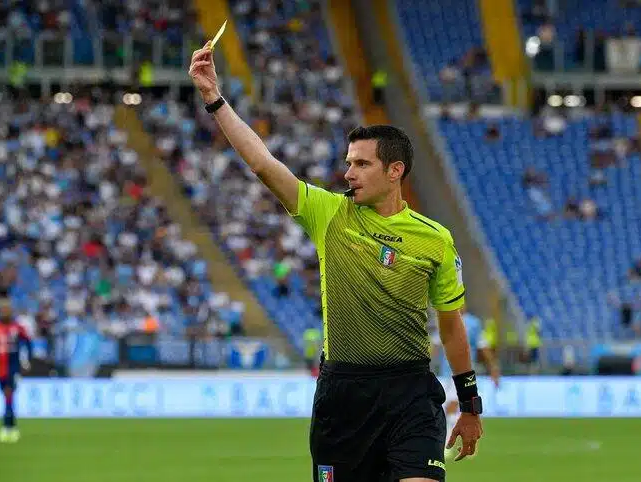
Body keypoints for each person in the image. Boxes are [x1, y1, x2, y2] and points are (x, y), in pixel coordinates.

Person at [189, 41, 483, 482]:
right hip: (343, 397)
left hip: (410, 394)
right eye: (348, 163)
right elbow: (263, 164)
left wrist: (470, 405)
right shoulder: (329, 214)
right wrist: (214, 98)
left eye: (361, 164)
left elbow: (452, 326)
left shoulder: (435, 239)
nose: (348, 173)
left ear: (395, 171)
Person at [435, 308, 500, 437]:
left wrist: (493, 368)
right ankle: (449, 437)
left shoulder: (473, 323)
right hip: (446, 372)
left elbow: (483, 346)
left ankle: (447, 440)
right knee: (449, 406)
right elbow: (436, 344)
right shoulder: (445, 318)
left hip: (463, 371)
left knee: (453, 405)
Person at [0, 304, 32, 443]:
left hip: (13, 367)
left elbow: (28, 343)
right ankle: (12, 427)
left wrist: (27, 361)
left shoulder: (17, 327)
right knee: (7, 396)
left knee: (9, 395)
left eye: (7, 311)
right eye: (3, 311)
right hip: (0, 369)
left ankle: (7, 427)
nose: (5, 313)